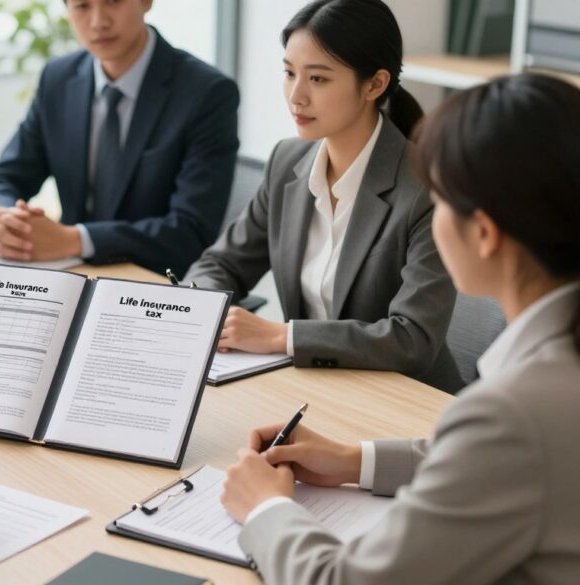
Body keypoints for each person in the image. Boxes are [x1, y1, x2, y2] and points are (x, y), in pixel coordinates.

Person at [220, 73, 580, 584]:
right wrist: (353, 460)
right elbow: (499, 465)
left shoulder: (514, 412)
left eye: (438, 197)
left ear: (483, 234)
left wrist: (264, 510)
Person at [184, 0, 462, 392]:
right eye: (289, 73)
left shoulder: (426, 190)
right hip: (317, 388)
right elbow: (221, 263)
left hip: (406, 402)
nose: (295, 96)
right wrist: (201, 314)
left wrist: (283, 337)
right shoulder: (287, 161)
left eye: (318, 79)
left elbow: (412, 339)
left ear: (375, 84)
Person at [0, 0, 239, 274]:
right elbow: (4, 177)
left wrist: (75, 240)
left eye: (113, 1)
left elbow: (190, 231)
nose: (98, 22)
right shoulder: (58, 77)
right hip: (70, 274)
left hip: (150, 284)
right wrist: (1, 222)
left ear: (146, 2)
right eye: (82, 6)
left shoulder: (207, 93)